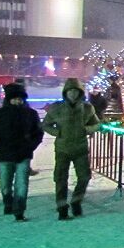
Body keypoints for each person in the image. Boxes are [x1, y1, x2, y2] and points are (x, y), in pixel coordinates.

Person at [0, 83, 43, 221]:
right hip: (5, 155)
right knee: (5, 184)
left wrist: (30, 146)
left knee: (22, 184)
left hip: (24, 155)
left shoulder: (31, 114)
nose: (18, 101)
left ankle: (19, 210)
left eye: (20, 98)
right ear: (8, 99)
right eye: (15, 98)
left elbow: (38, 133)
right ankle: (8, 202)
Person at [42, 78, 100, 220]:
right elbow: (46, 124)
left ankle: (76, 201)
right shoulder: (57, 108)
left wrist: (87, 129)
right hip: (63, 148)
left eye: (75, 91)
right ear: (65, 93)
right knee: (61, 179)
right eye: (70, 91)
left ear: (80, 93)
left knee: (84, 177)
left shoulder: (87, 108)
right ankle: (62, 207)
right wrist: (58, 133)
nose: (73, 94)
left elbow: (96, 124)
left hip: (80, 148)